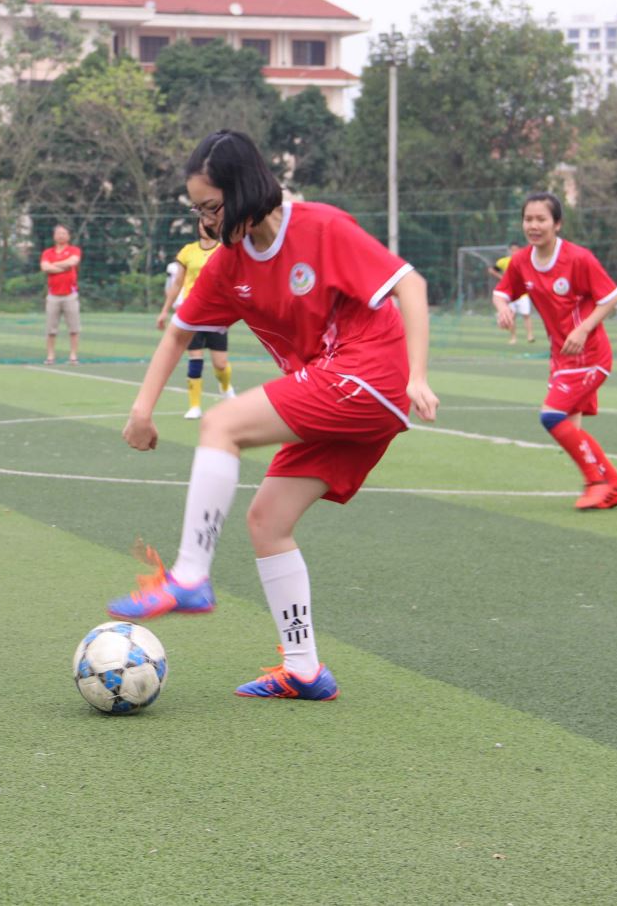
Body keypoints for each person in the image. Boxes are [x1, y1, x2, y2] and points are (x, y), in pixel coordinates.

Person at [106, 130, 437, 701]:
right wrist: (141, 409)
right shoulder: (227, 265)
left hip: (369, 371)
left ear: (243, 190)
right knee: (267, 520)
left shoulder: (321, 227)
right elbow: (179, 332)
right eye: (198, 210)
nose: (206, 222)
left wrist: (419, 375)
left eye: (212, 207)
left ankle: (189, 576)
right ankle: (304, 670)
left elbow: (411, 283)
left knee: (221, 424)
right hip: (343, 391)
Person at [493, 193, 617, 511]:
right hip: (561, 358)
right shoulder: (521, 261)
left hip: (591, 355)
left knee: (551, 416)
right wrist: (502, 308)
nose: (533, 225)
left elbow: (611, 296)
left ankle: (597, 483)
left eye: (541, 219)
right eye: (528, 219)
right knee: (570, 427)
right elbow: (501, 292)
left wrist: (584, 329)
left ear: (557, 224)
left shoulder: (578, 258)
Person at [156, 219, 236, 418]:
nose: (204, 226)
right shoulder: (187, 251)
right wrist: (164, 310)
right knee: (195, 358)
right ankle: (194, 406)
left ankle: (225, 387)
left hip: (217, 313)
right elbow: (177, 283)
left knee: (220, 364)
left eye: (208, 223)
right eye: (201, 223)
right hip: (192, 311)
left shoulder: (224, 249)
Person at [40, 224, 81, 365]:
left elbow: (72, 262)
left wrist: (54, 266)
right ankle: (50, 356)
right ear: (54, 236)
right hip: (53, 295)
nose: (61, 236)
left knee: (74, 328)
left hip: (70, 294)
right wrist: (62, 266)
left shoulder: (74, 250)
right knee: (51, 328)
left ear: (68, 236)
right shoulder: (48, 252)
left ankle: (73, 355)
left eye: (64, 233)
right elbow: (45, 267)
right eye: (58, 233)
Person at [487, 242, 537, 344]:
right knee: (510, 316)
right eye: (512, 250)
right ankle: (513, 337)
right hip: (509, 294)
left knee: (526, 315)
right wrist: (501, 277)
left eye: (517, 249)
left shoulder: (524, 261)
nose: (514, 252)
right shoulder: (503, 261)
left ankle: (530, 336)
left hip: (523, 294)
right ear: (509, 251)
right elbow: (491, 270)